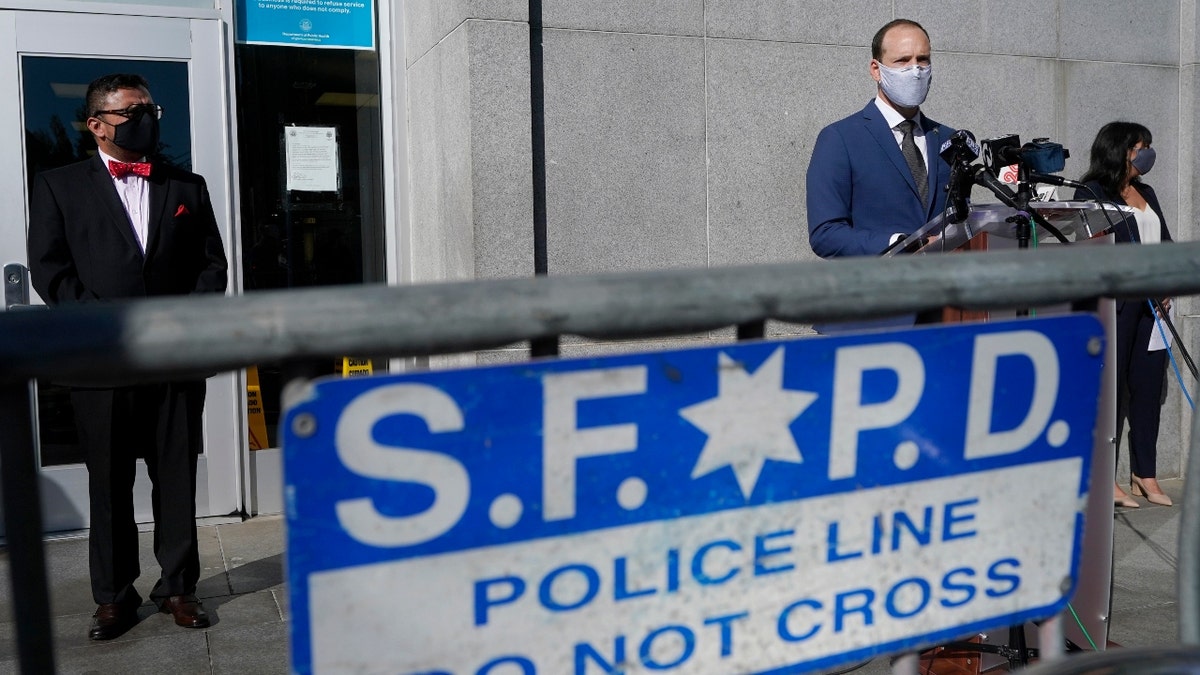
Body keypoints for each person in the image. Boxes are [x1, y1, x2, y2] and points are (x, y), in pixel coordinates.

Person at [27, 73, 228, 639]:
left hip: (175, 359)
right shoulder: (59, 185)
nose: (145, 120)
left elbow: (212, 266)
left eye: (150, 110)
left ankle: (179, 587)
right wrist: (108, 326)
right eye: (130, 113)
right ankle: (113, 595)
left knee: (176, 478)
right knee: (109, 483)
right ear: (96, 124)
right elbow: (51, 271)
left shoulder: (187, 186)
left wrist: (181, 325)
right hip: (102, 361)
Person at [1075, 121, 1173, 508]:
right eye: (1139, 147)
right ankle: (1104, 476)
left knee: (1148, 388)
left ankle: (1143, 473)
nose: (1146, 153)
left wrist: (1168, 284)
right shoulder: (1091, 191)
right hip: (1117, 303)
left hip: (1154, 303)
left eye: (1147, 146)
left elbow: (1163, 241)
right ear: (1118, 150)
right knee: (1110, 389)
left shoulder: (1146, 191)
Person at [807, 18, 956, 259]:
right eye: (902, 60)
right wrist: (900, 244)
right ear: (876, 69)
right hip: (878, 288)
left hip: (944, 289)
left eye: (923, 59)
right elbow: (825, 233)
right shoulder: (839, 139)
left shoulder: (947, 138)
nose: (915, 70)